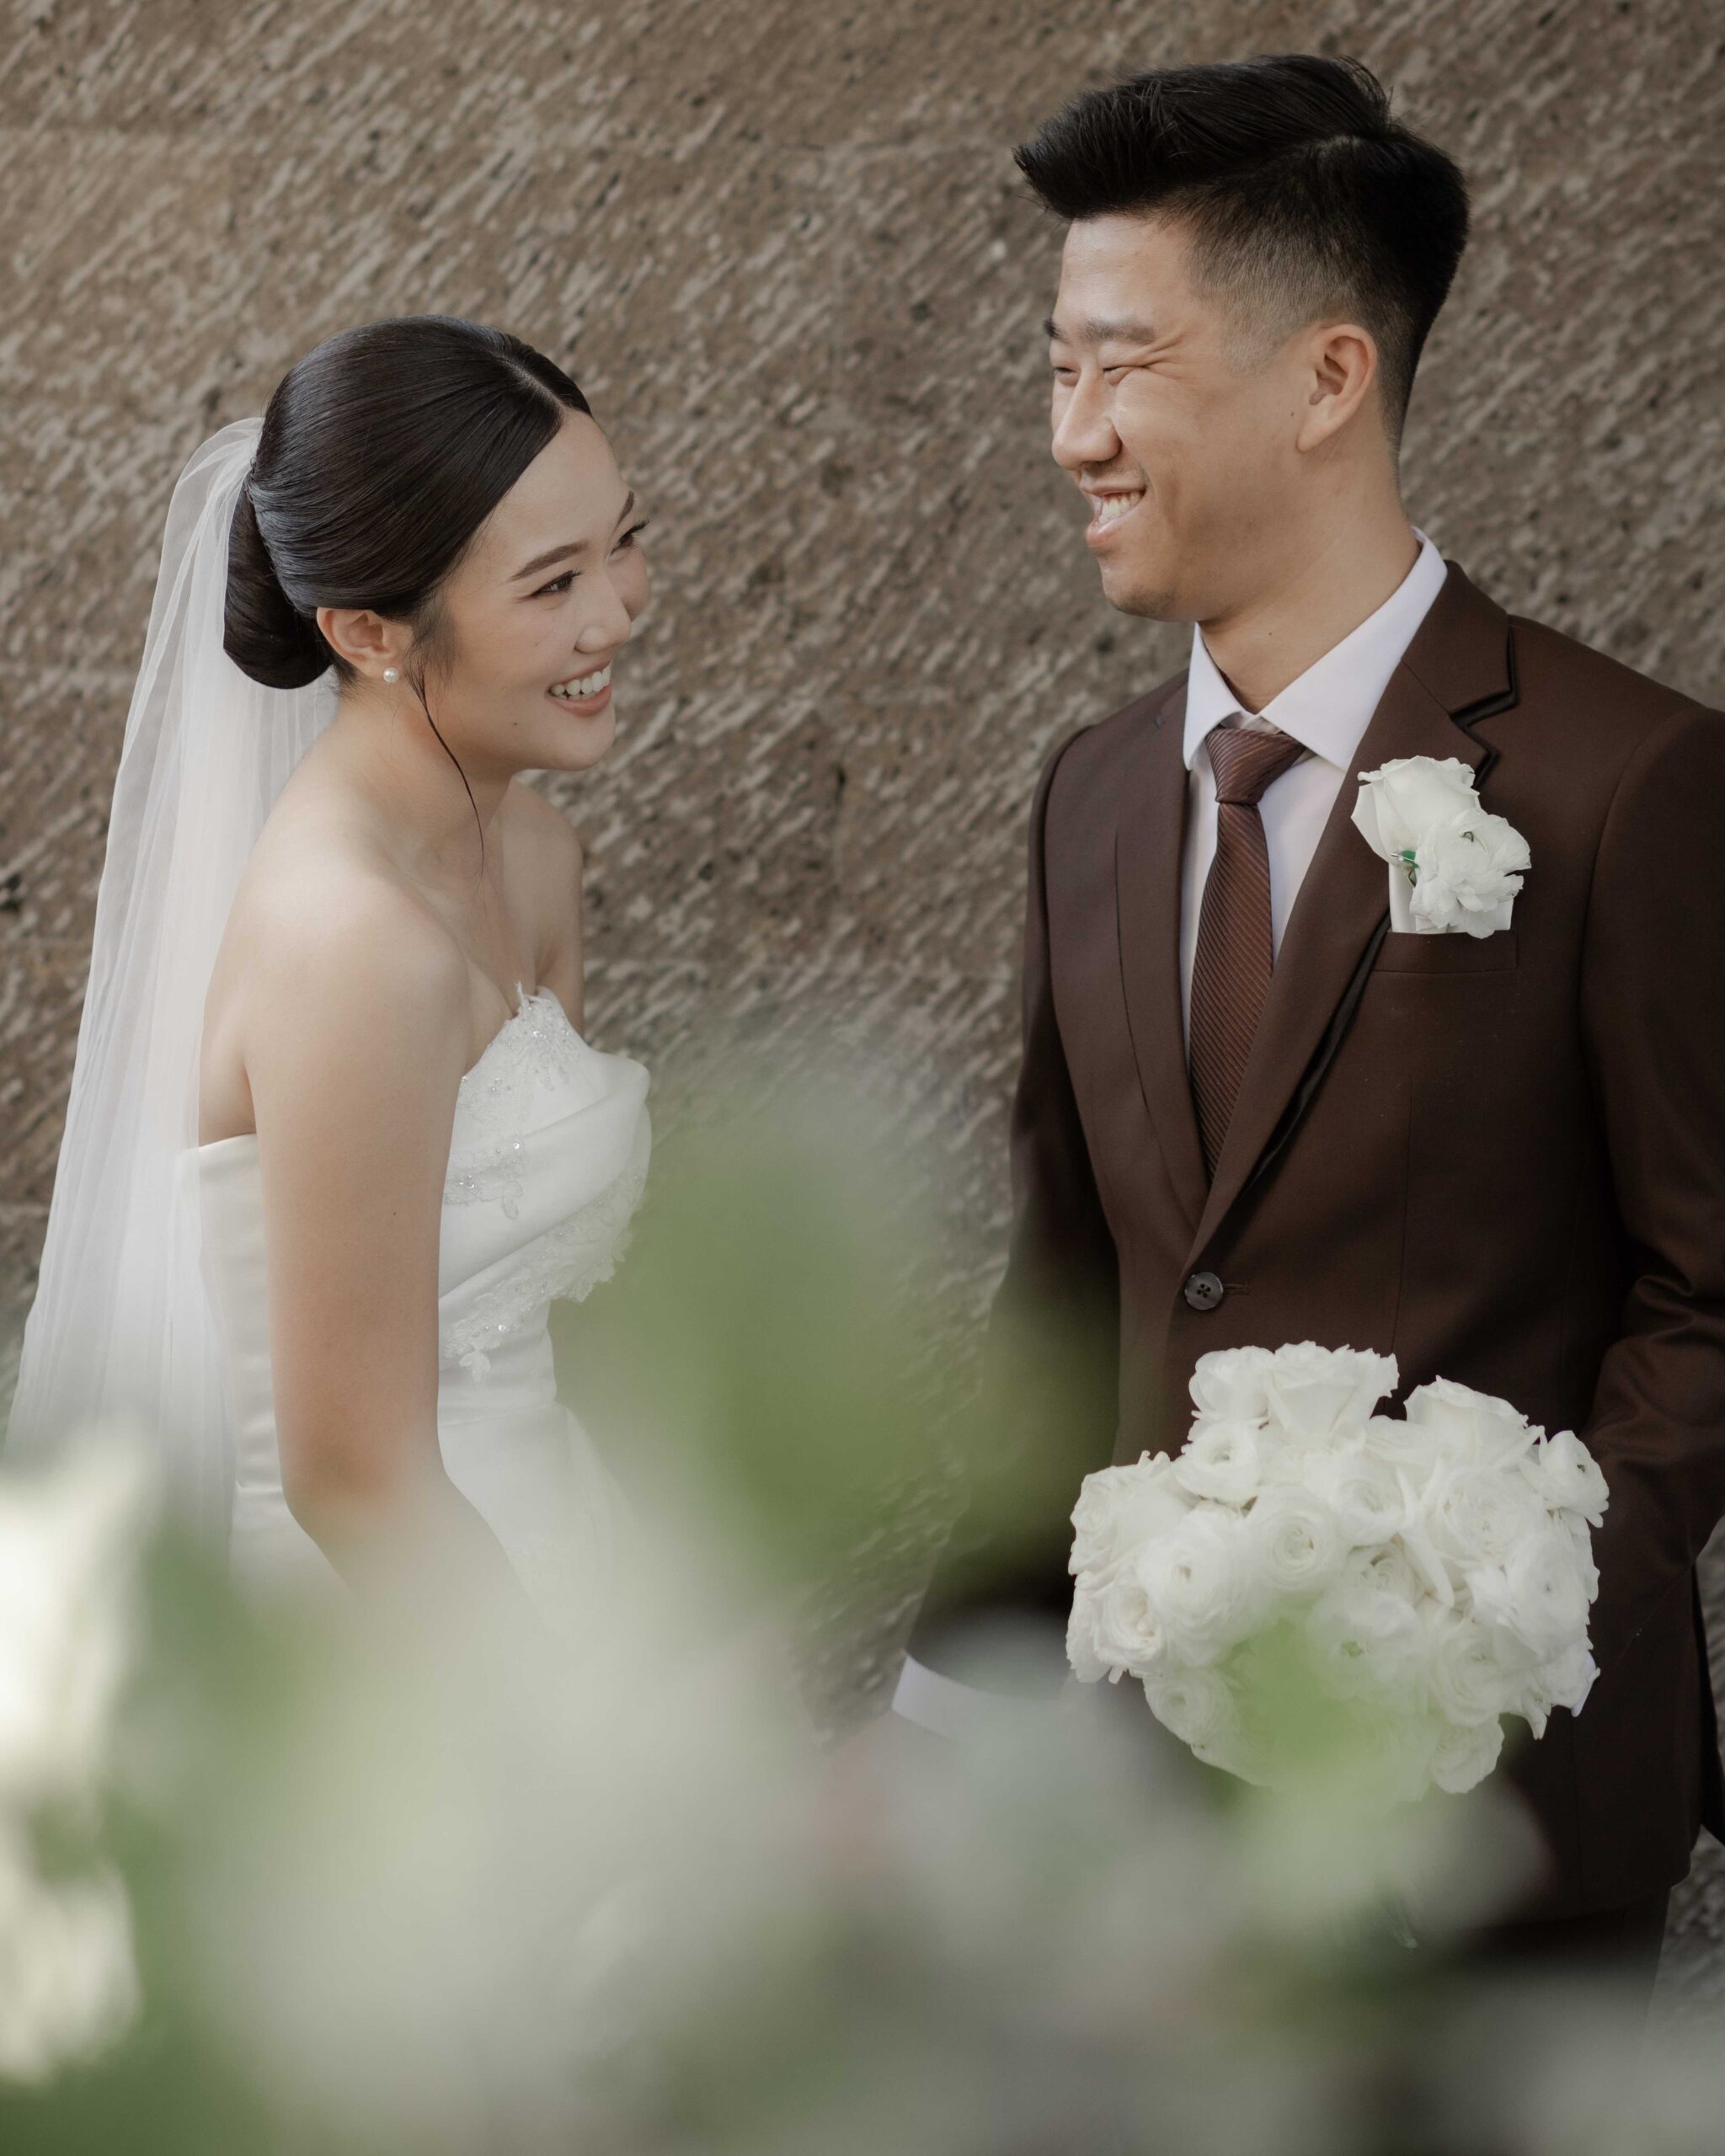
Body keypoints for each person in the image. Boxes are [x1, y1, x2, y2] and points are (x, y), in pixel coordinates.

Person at [894, 54, 1725, 2004]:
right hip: (1134, 1865)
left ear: (1327, 377)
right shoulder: (1091, 796)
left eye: (1121, 366)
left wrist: (1489, 1616)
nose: (1073, 434)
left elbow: (1710, 1286)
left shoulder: (1625, 781)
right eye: (1055, 369)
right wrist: (939, 1715)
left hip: (1498, 1842)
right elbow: (1072, 1294)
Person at [6, 317, 652, 1634]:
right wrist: (571, 1721)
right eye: (552, 585)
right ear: (368, 632)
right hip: (397, 1636)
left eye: (625, 542)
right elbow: (353, 1482)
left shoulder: (533, 853)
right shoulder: (358, 947)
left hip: (558, 1542)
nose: (617, 613)